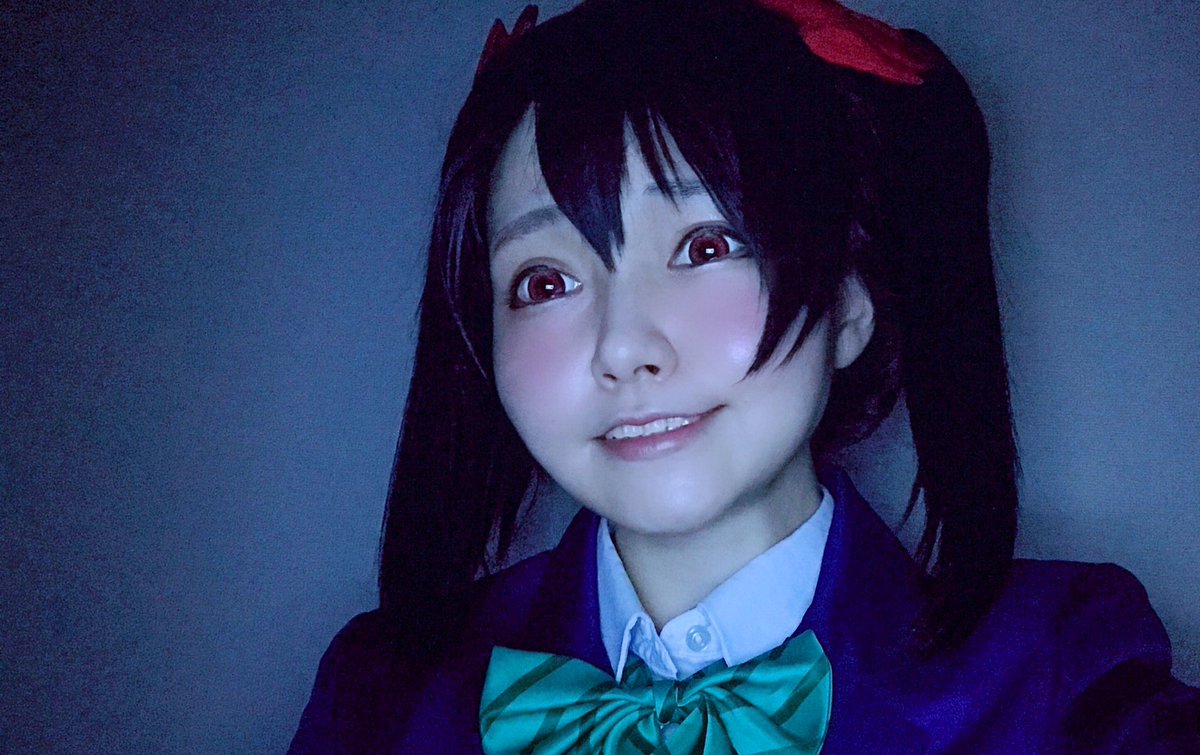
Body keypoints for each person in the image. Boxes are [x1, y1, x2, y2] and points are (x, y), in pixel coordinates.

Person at [289, 1, 1200, 751]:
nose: (622, 345)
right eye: (545, 281)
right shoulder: (380, 694)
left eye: (704, 245)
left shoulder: (1063, 670)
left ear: (850, 301)